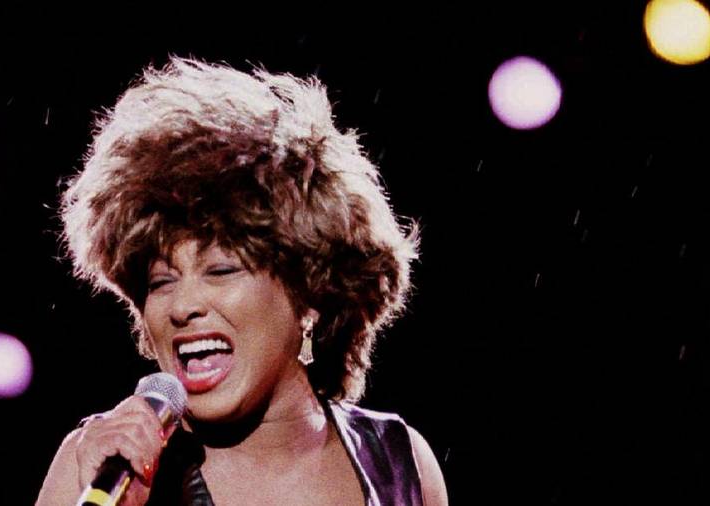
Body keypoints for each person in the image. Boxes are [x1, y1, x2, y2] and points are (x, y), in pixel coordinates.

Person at [36, 57, 448, 505]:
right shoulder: (101, 468)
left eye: (221, 270)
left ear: (310, 293)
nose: (181, 305)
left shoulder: (399, 463)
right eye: (160, 282)